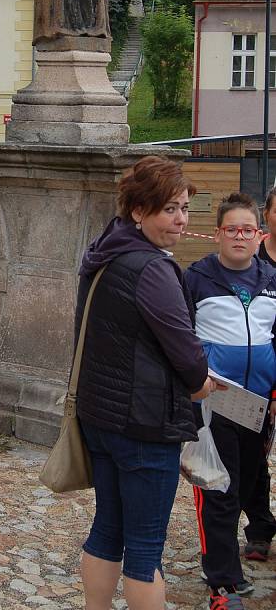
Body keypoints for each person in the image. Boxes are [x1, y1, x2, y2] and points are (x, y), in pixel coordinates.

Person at [76, 155, 214, 610]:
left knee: (106, 529)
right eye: (169, 208)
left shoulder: (103, 251)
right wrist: (201, 383)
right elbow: (185, 350)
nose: (180, 220)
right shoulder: (152, 268)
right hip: (144, 423)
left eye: (184, 208)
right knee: (144, 549)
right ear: (139, 211)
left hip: (101, 415)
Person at [185, 192, 276, 610]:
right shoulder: (197, 278)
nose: (240, 237)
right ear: (218, 234)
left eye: (248, 230)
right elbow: (180, 338)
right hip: (215, 403)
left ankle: (228, 555)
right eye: (231, 230)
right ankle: (222, 575)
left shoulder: (271, 280)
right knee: (218, 488)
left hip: (259, 404)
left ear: (260, 234)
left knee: (248, 483)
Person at [238, 189, 276, 563]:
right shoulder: (255, 258)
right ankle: (260, 528)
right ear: (267, 214)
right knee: (253, 456)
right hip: (256, 377)